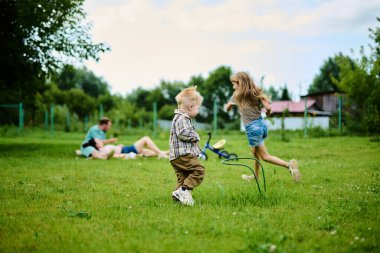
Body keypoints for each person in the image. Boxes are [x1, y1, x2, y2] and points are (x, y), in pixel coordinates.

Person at [225, 72, 301, 182]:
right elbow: (268, 108)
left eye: (234, 84)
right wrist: (268, 112)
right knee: (255, 152)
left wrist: (230, 104)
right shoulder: (256, 91)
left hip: (253, 129)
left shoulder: (237, 95)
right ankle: (255, 176)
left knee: (265, 156)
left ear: (240, 83)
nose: (233, 86)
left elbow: (227, 108)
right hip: (262, 125)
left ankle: (288, 165)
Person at [169, 86, 205, 206]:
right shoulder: (183, 118)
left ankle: (177, 197)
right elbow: (183, 133)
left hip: (175, 157)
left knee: (183, 177)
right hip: (183, 155)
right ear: (191, 107)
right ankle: (184, 191)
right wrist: (195, 136)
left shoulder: (178, 117)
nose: (198, 110)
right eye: (198, 108)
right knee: (199, 171)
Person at [82, 137, 169, 159]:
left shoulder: (103, 148)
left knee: (153, 152)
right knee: (145, 139)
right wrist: (119, 151)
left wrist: (118, 146)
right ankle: (162, 154)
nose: (101, 141)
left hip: (125, 148)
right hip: (127, 150)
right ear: (97, 145)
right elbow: (108, 155)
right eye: (99, 141)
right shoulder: (101, 150)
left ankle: (168, 153)